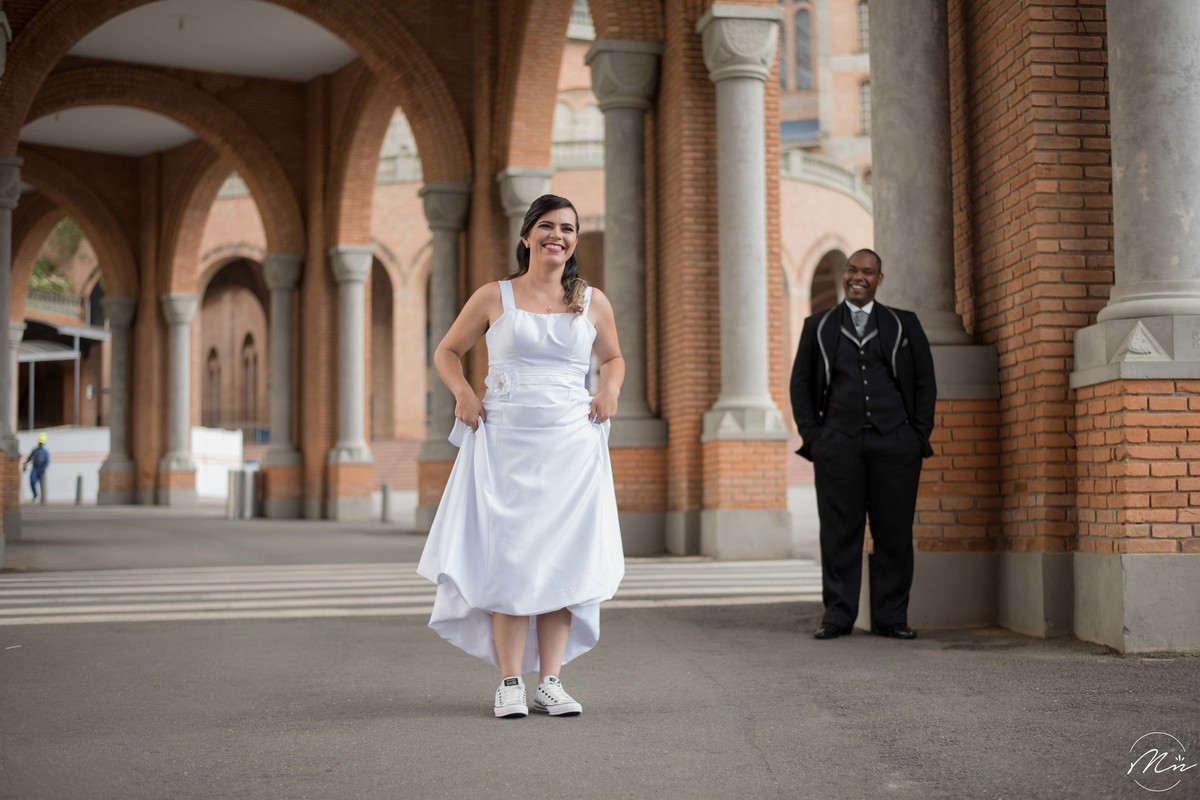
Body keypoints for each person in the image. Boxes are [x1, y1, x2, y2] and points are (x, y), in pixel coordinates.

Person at [417, 194, 625, 718]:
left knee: (560, 561)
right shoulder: (495, 296)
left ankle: (550, 682)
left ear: (575, 241)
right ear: (528, 234)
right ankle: (510, 681)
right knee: (510, 556)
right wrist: (464, 393)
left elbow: (614, 357)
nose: (559, 236)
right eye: (549, 226)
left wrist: (609, 391)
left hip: (571, 445)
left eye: (569, 229)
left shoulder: (591, 301)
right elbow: (446, 351)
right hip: (506, 441)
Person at [789, 248, 936, 641]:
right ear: (845, 275)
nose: (858, 276)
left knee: (894, 532)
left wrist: (917, 435)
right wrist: (815, 438)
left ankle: (891, 617)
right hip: (837, 445)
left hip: (895, 444)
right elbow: (800, 385)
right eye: (852, 270)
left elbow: (925, 383)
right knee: (839, 532)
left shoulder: (903, 324)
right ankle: (838, 615)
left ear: (878, 279)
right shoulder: (817, 326)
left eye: (867, 272)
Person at [23, 433, 50, 501]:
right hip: (35, 469)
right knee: (32, 481)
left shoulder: (45, 452)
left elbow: (47, 461)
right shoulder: (35, 450)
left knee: (42, 484)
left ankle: (43, 498)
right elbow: (30, 457)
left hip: (41, 470)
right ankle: (35, 495)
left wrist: (44, 467)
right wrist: (25, 463)